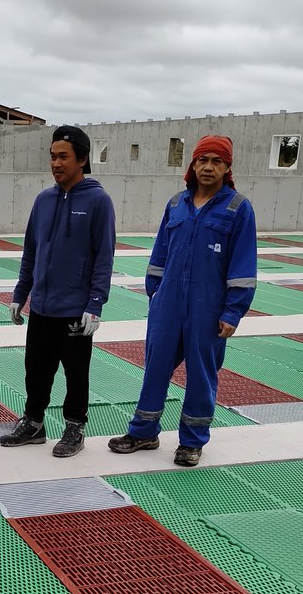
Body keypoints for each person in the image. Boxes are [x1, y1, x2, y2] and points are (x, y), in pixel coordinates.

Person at [108, 134, 257, 467]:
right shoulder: (176, 203)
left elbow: (244, 265)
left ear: (227, 167)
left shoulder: (238, 208)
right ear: (193, 164)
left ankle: (192, 441)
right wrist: (155, 293)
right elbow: (160, 252)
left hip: (209, 306)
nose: (208, 167)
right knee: (156, 367)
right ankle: (143, 431)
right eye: (202, 160)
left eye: (216, 161)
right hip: (168, 302)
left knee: (202, 374)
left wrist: (233, 311)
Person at [0, 125, 115, 457]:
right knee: (35, 369)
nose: (55, 163)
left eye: (63, 156)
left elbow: (103, 257)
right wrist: (22, 293)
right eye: (52, 157)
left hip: (75, 309)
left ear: (81, 159)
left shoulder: (97, 201)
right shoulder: (44, 200)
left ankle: (75, 426)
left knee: (76, 372)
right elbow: (31, 251)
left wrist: (95, 303)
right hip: (43, 306)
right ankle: (34, 423)